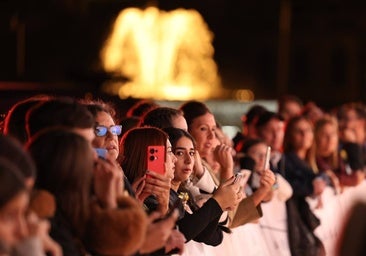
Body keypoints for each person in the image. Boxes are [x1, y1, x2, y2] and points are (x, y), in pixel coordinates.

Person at [26, 128, 148, 256]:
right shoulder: (45, 220)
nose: (97, 157)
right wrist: (111, 201)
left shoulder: (80, 210)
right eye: (92, 162)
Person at [180, 100, 275, 228]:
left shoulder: (205, 167)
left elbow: (234, 213)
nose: (211, 136)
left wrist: (264, 190)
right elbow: (230, 216)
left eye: (213, 130)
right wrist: (227, 168)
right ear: (187, 131)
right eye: (203, 129)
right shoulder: (189, 169)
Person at [283, 116, 326, 256]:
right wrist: (311, 188)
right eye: (298, 131)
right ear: (289, 136)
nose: (304, 135)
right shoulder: (286, 161)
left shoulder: (311, 161)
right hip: (296, 228)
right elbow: (286, 187)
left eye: (307, 130)